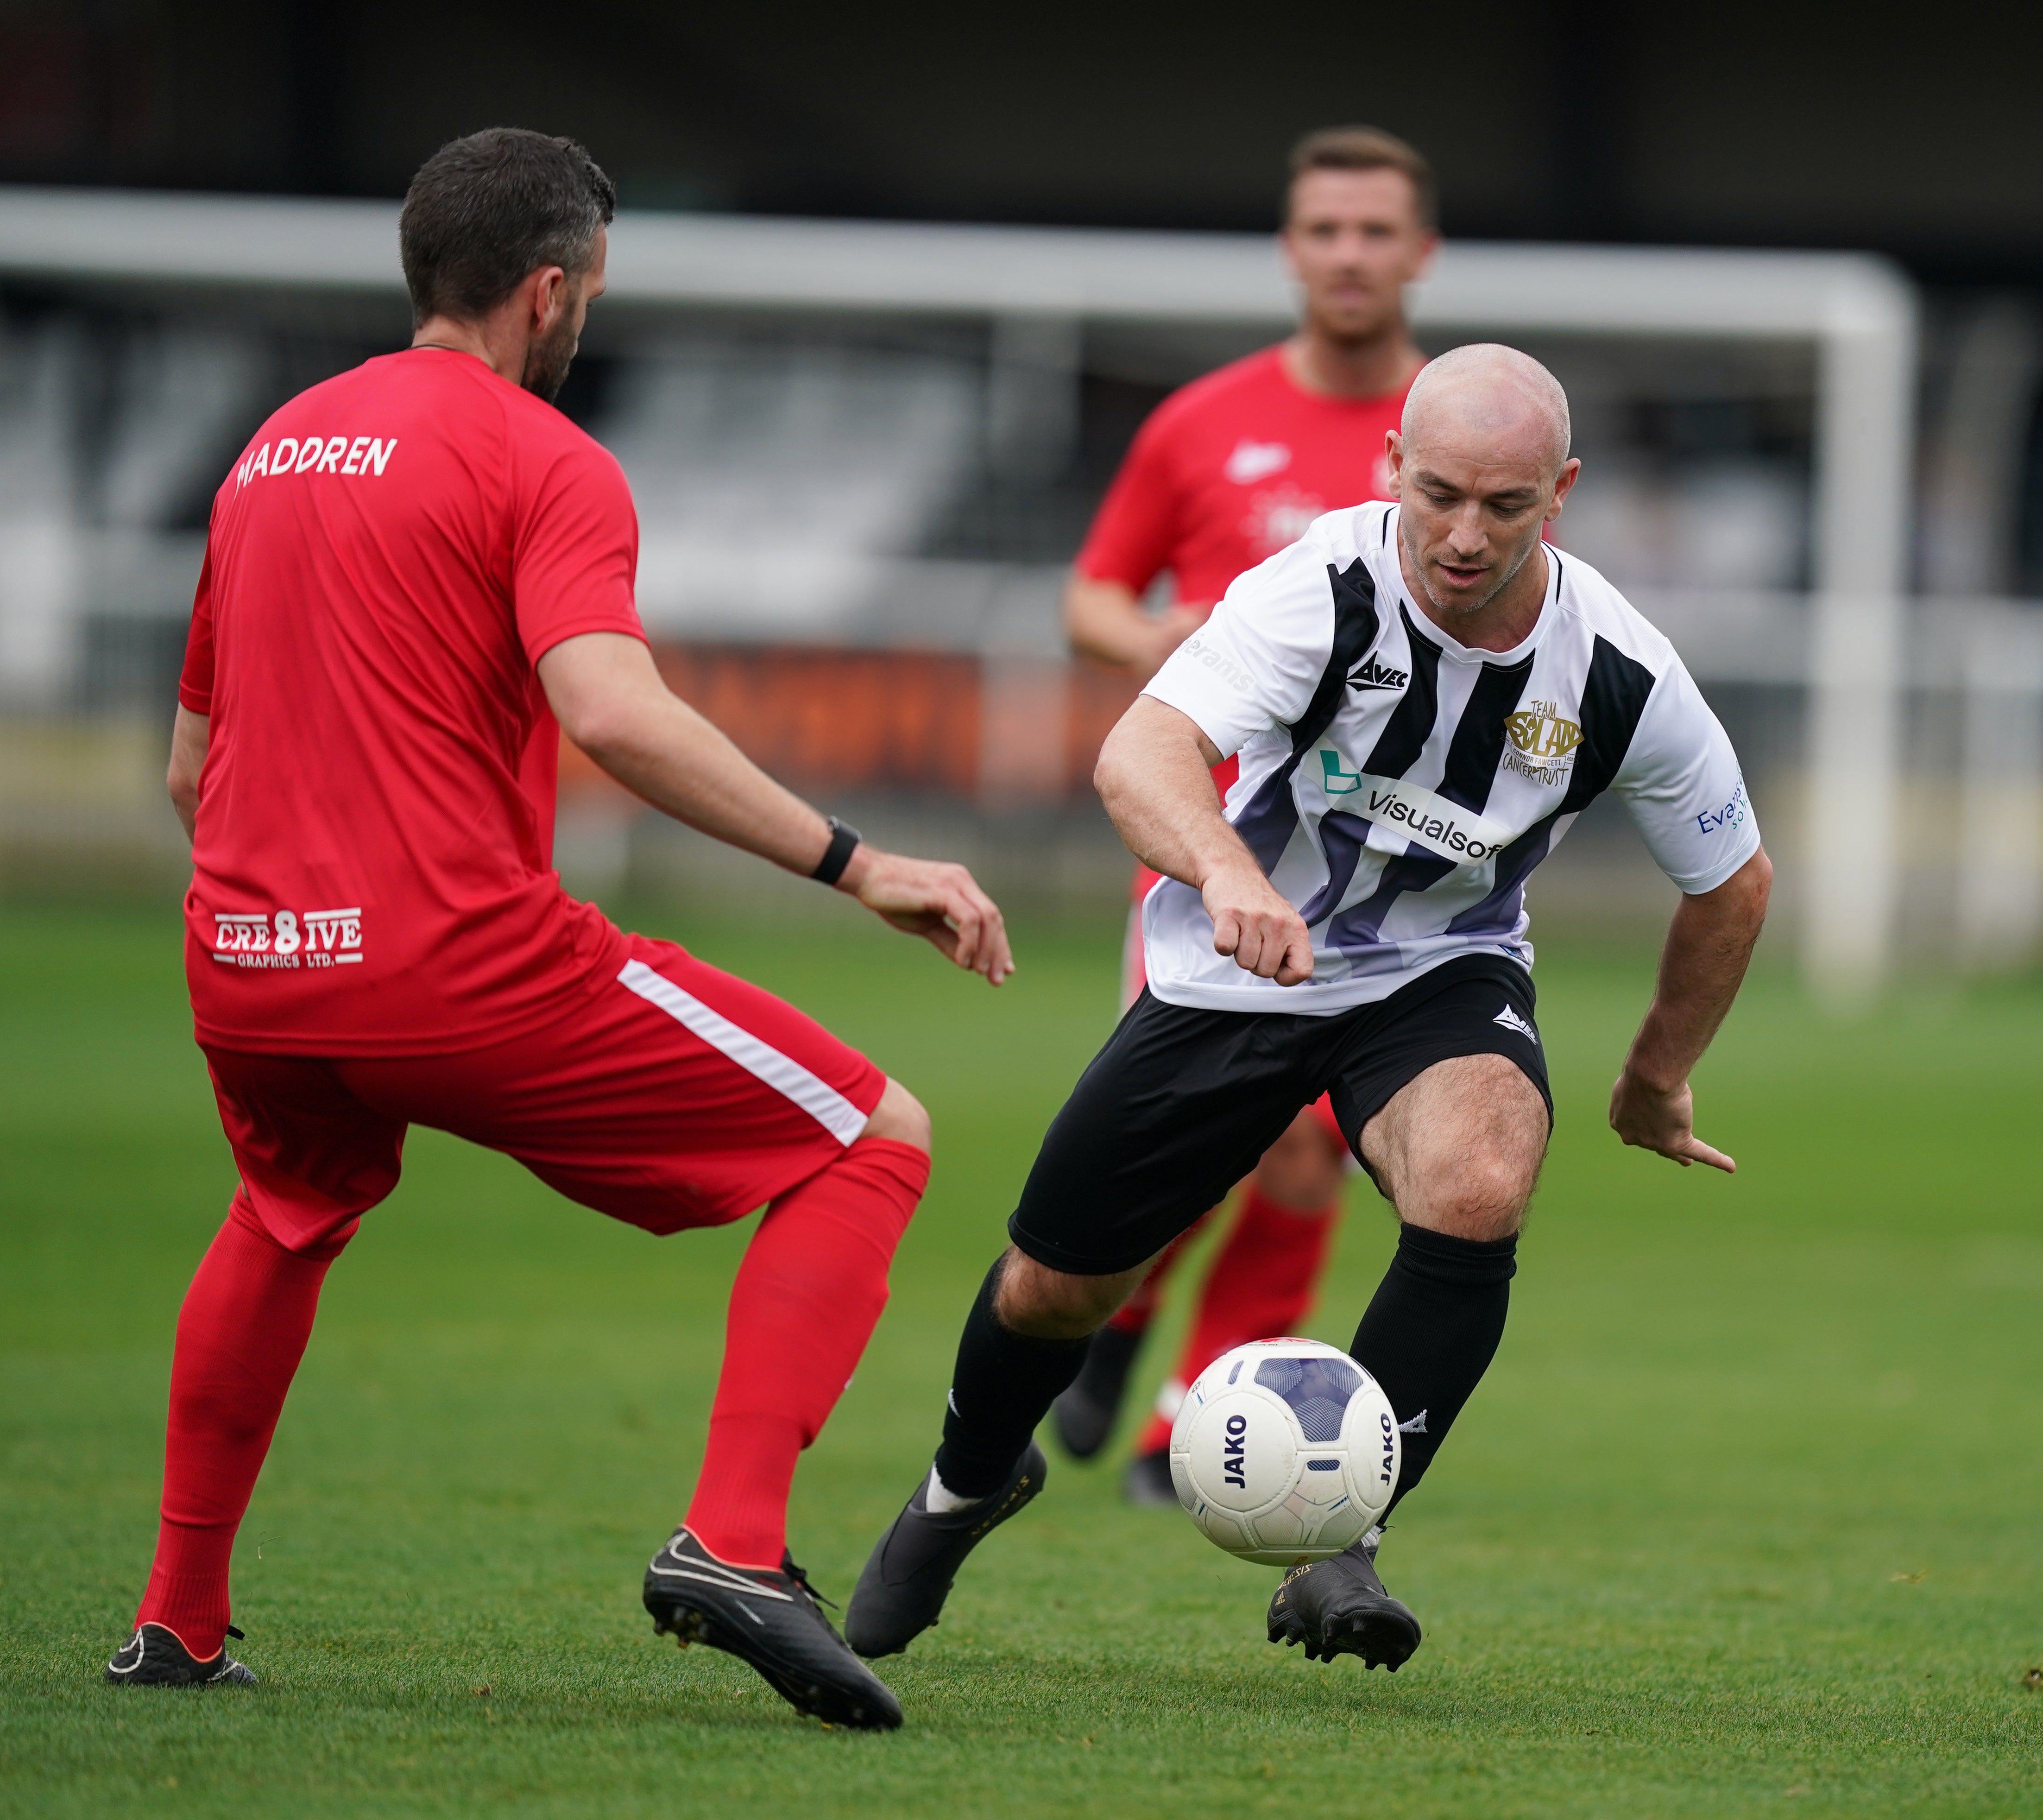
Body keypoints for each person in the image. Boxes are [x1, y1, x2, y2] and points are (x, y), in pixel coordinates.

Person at [99, 128, 1012, 1733]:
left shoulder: (270, 451)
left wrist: (298, 924)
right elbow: (615, 712)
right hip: (455, 963)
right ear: (548, 288)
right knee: (869, 1135)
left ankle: (175, 1624)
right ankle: (733, 1545)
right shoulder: (543, 457)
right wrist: (855, 860)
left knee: (284, 1213)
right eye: (590, 290)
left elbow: (191, 765)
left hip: (243, 966)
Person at [842, 343, 1771, 1674]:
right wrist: (1223, 870)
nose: (1461, 535)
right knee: (1055, 1288)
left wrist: (1654, 1074)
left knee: (1482, 1173)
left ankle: (1344, 1538)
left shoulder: (1618, 668)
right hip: (1239, 972)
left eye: (1504, 506)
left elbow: (1731, 881)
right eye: (1437, 491)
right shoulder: (1314, 589)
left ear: (1558, 495)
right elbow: (1139, 753)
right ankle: (961, 1485)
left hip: (1435, 972)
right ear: (1389, 465)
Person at [1055, 126, 1438, 1502]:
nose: (1348, 253)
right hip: (1205, 844)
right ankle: (1129, 1311)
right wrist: (1171, 632)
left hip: (1379, 860)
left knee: (1304, 1156)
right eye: (1324, 228)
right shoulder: (1201, 422)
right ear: (1292, 249)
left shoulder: (1453, 443)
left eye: (1374, 230)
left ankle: (1194, 1423)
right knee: (1192, 1137)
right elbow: (1088, 593)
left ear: (1419, 252)